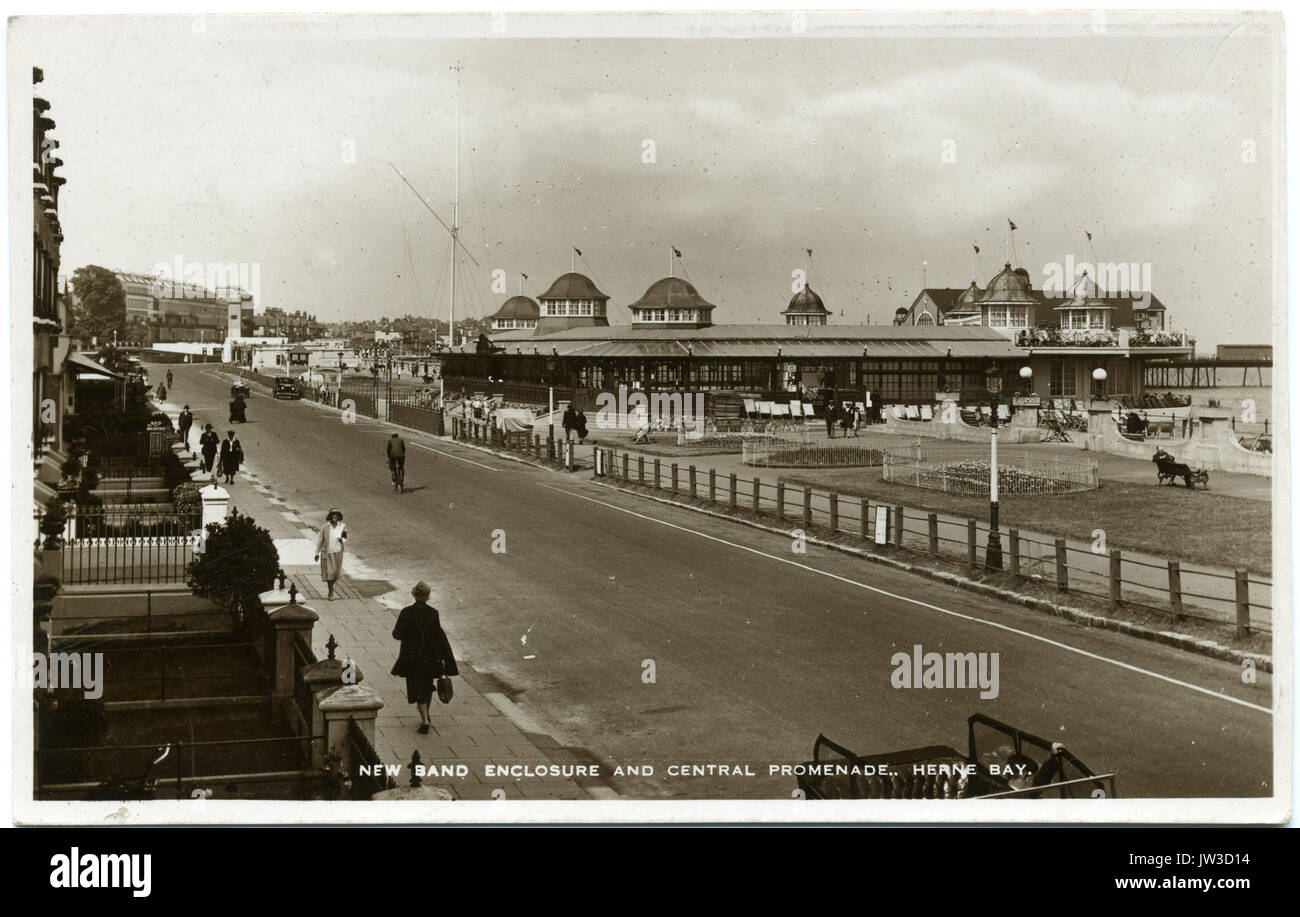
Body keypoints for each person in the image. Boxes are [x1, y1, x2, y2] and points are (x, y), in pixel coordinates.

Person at [390, 581, 459, 734]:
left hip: (412, 658)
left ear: (414, 594)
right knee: (427, 687)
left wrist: (410, 636)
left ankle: (425, 721)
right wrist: (442, 658)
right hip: (429, 658)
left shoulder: (406, 612)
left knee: (417, 687)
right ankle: (426, 714)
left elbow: (396, 634)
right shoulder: (433, 613)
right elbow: (438, 637)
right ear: (427, 596)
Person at [314, 509, 347, 600]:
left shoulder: (342, 526)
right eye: (333, 514)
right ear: (330, 516)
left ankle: (331, 587)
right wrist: (317, 553)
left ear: (339, 516)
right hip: (327, 553)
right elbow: (319, 540)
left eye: (337, 514)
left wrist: (342, 540)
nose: (335, 516)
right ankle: (331, 591)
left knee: (336, 574)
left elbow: (345, 537)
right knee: (329, 573)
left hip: (338, 552)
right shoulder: (325, 527)